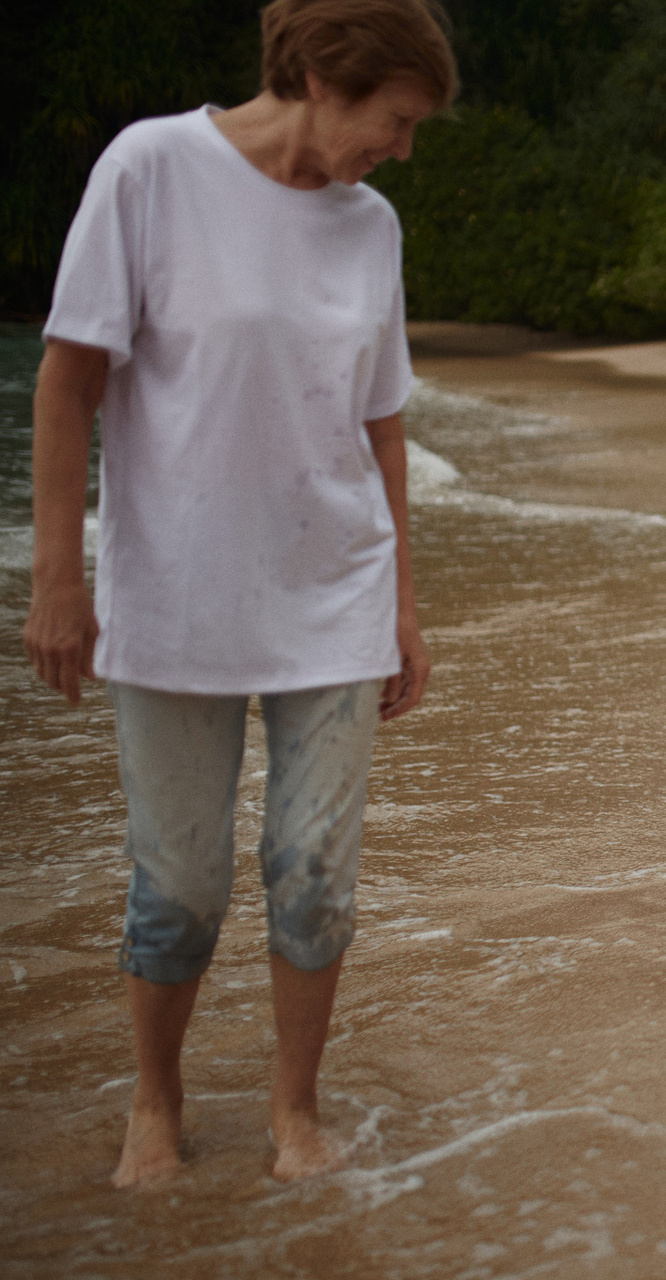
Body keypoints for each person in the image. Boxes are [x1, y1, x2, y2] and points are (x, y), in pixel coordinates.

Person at [22, 0, 457, 1186]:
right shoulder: (151, 168)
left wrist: (402, 604)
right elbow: (67, 380)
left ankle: (293, 1112)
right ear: (322, 74)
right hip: (176, 595)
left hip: (337, 593)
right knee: (178, 884)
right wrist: (57, 575)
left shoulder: (371, 225)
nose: (402, 147)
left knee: (314, 872)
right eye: (396, 119)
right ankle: (154, 1102)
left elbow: (382, 426)